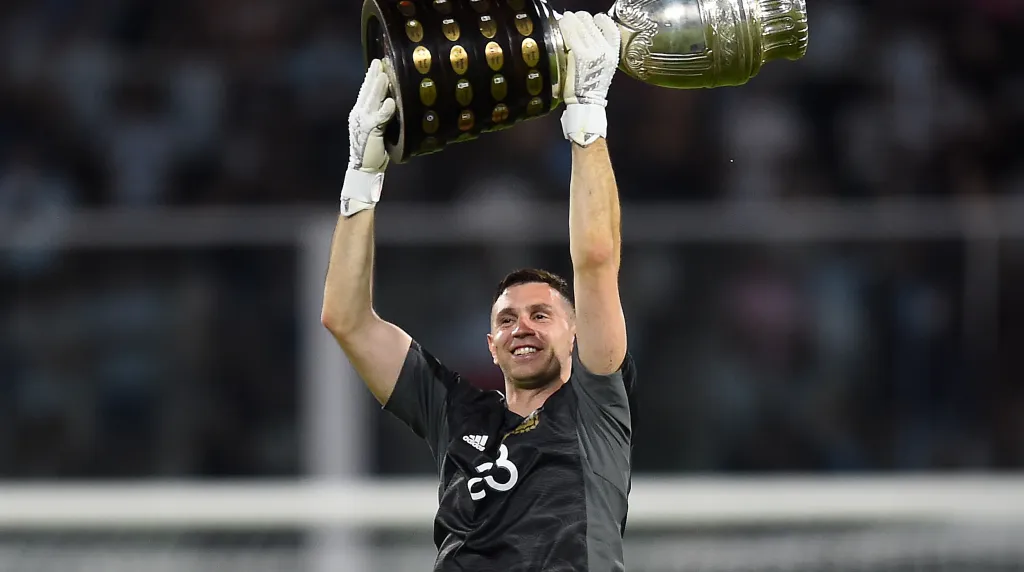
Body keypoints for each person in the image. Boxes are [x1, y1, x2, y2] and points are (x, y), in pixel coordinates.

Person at [321, 11, 636, 572]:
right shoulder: (457, 415)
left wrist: (587, 118)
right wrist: (361, 179)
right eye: (509, 319)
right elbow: (346, 320)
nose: (523, 327)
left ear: (578, 332)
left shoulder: (596, 404)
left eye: (542, 314)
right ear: (490, 344)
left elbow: (595, 260)